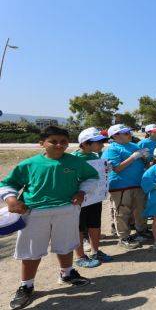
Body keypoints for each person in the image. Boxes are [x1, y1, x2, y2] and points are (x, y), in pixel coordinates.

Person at [1, 126, 99, 309]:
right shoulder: (29, 164)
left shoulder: (75, 162)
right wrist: (12, 200)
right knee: (31, 251)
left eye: (63, 141)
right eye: (53, 141)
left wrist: (82, 192)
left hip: (67, 210)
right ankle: (26, 286)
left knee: (66, 244)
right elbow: (8, 183)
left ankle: (67, 273)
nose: (59, 145)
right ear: (42, 143)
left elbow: (92, 177)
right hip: (35, 213)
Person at [102, 124, 149, 249]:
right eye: (126, 132)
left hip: (138, 183)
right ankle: (123, 237)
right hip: (120, 185)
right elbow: (117, 169)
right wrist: (133, 157)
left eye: (129, 132)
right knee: (122, 212)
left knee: (140, 209)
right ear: (116, 135)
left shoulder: (134, 146)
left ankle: (141, 231)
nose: (130, 134)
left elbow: (143, 163)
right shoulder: (112, 149)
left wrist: (144, 158)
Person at [72, 127, 111, 268]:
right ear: (85, 143)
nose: (102, 144)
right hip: (80, 200)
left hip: (95, 199)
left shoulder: (96, 157)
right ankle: (80, 256)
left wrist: (106, 169)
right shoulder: (73, 158)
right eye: (98, 142)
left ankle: (95, 251)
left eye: (102, 141)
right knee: (78, 228)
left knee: (95, 225)